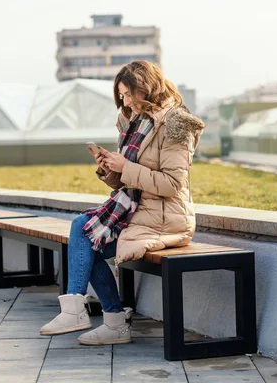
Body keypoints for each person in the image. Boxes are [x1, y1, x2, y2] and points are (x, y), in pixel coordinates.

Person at [40, 60, 205, 345]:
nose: (125, 101)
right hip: (137, 212)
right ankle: (101, 318)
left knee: (84, 232)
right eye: (122, 96)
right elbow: (128, 183)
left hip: (165, 220)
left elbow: (171, 184)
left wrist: (125, 167)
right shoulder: (134, 121)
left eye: (129, 94)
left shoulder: (177, 124)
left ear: (147, 88)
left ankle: (95, 316)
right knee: (84, 233)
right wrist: (110, 169)